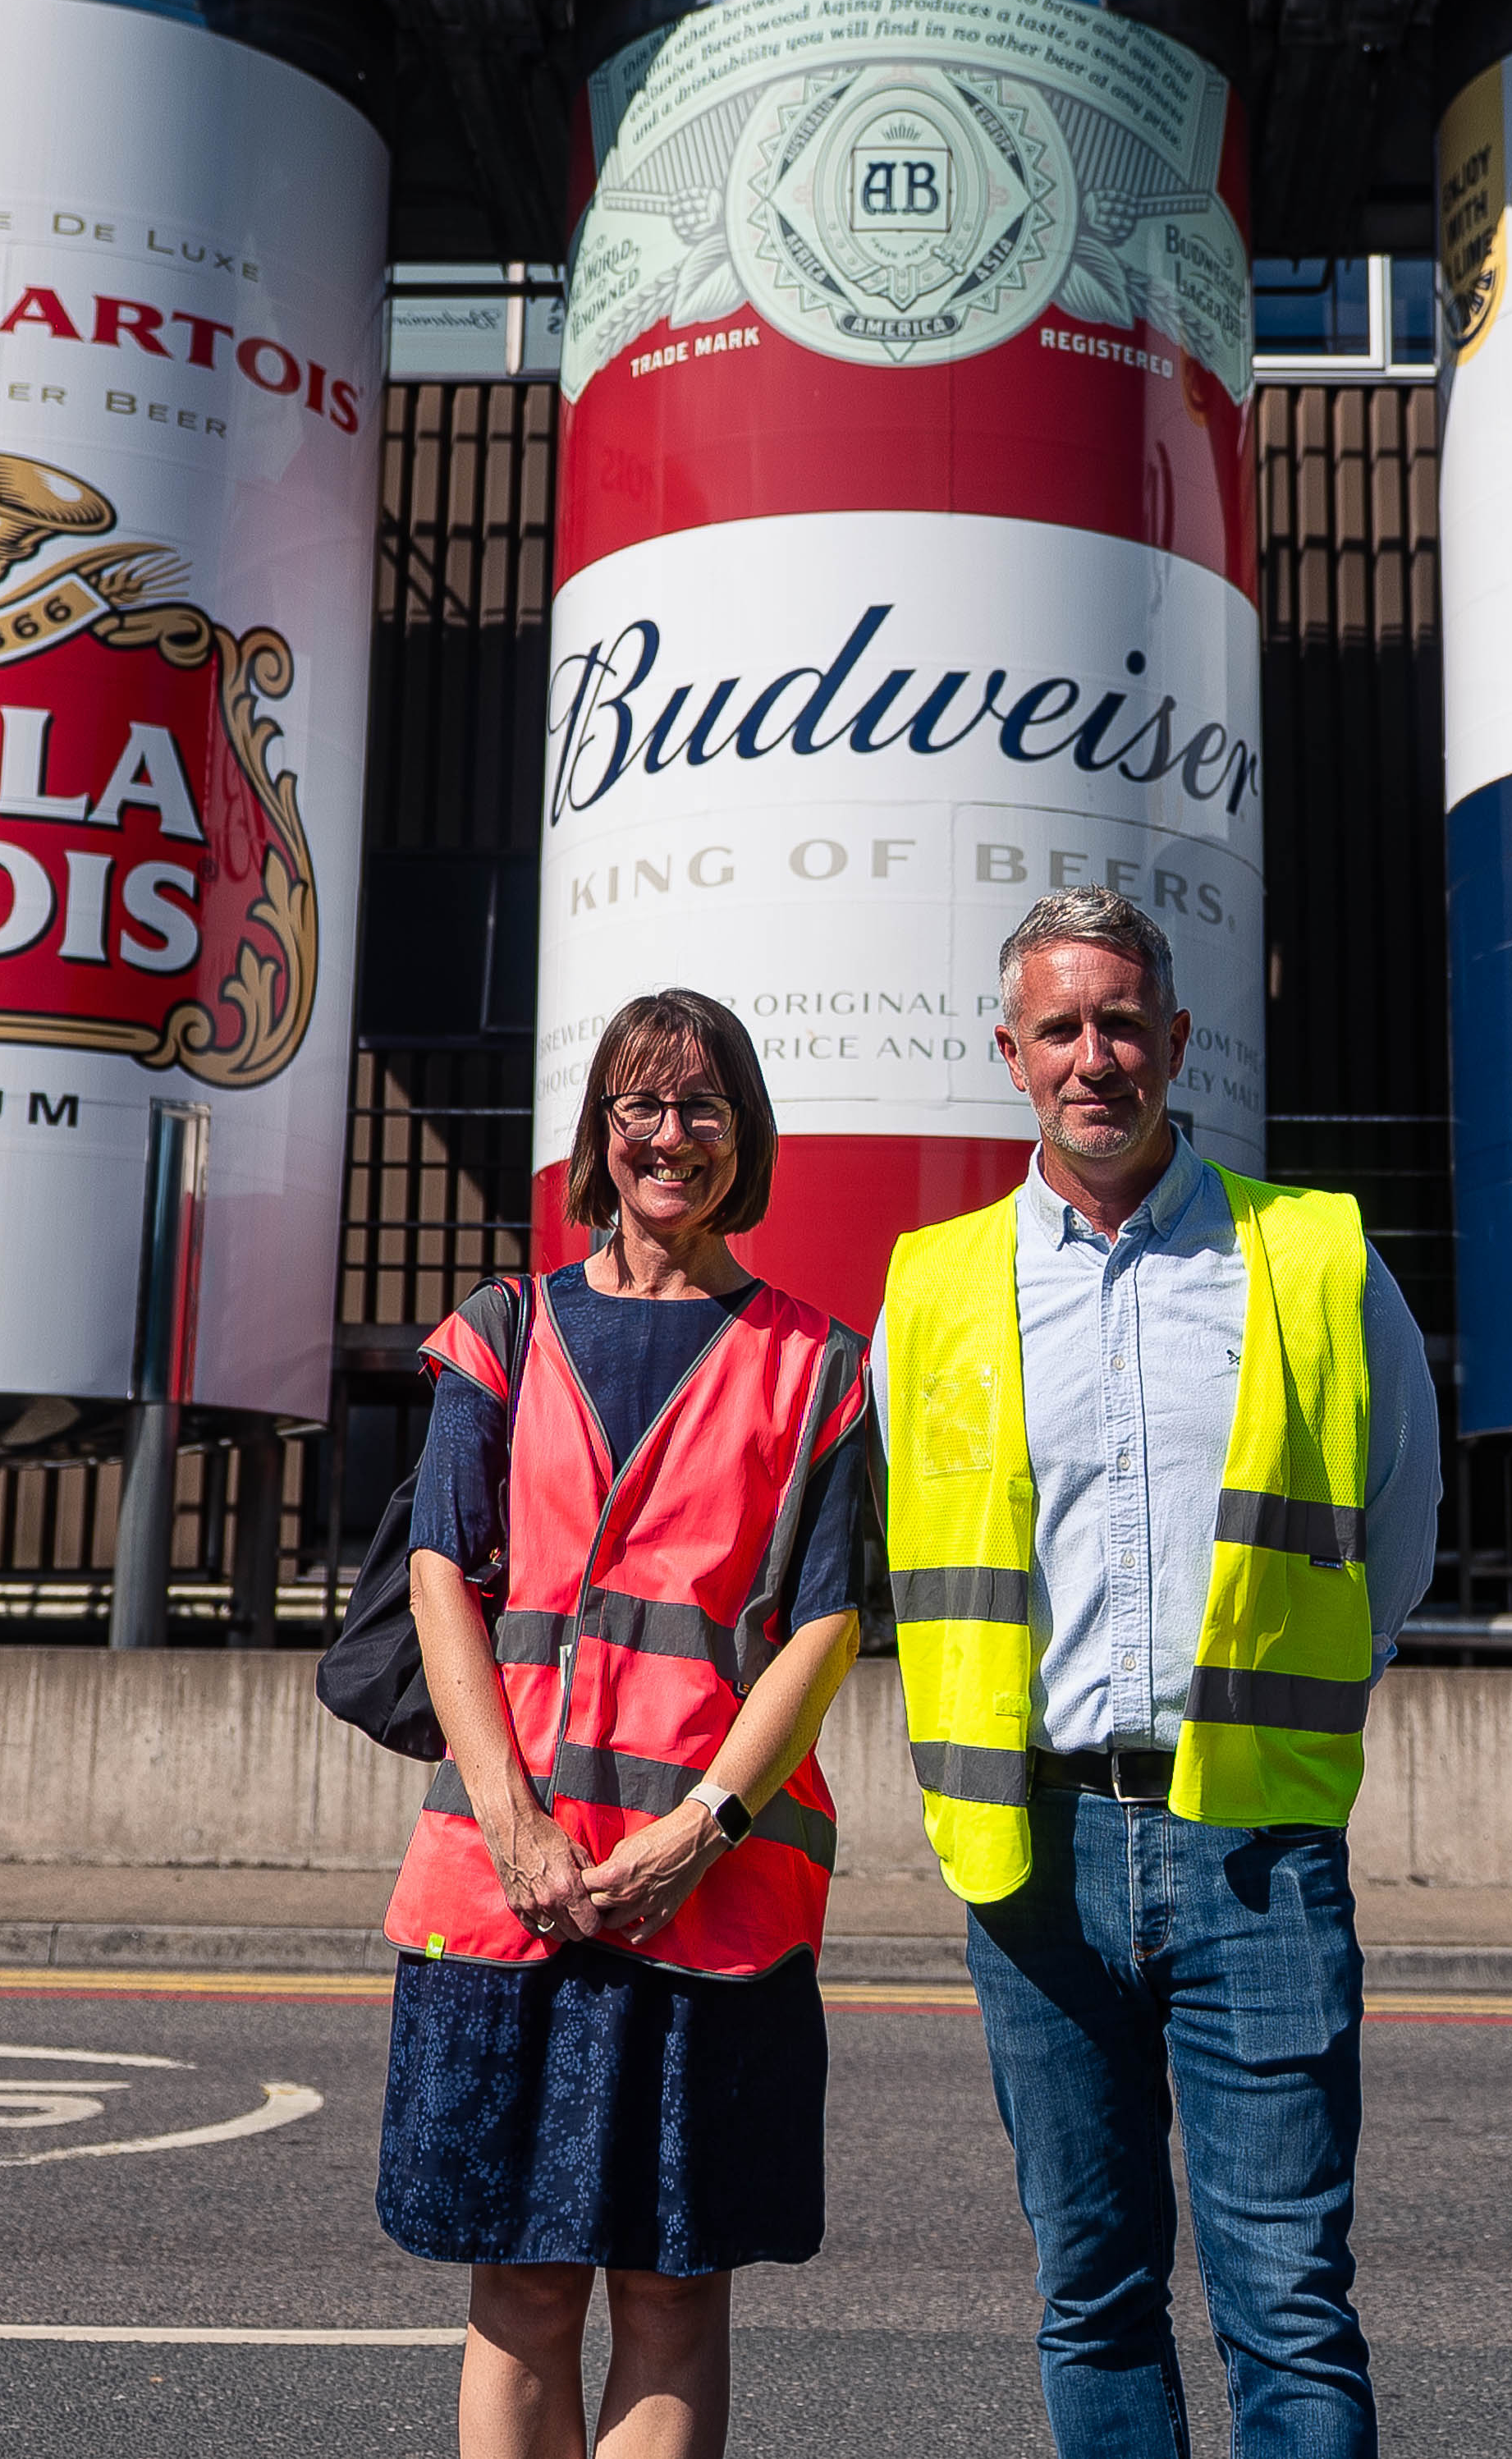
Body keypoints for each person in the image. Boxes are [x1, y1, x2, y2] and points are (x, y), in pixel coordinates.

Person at [873, 888, 1441, 2459]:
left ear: (1179, 1040)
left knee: (1290, 2310)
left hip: (1251, 1844)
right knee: (1094, 2296)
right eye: (1060, 1026)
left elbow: (1397, 1532)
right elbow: (898, 1550)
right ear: (1011, 1052)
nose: (1095, 1056)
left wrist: (1285, 1698)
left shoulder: (1314, 1258)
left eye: (1123, 1020)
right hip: (1031, 1849)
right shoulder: (930, 1290)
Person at [378, 986, 877, 2459]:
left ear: (746, 1134)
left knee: (673, 2293)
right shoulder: (500, 1332)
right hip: (503, 1885)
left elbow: (828, 1622)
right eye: (642, 1107)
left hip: (712, 1900)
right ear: (601, 1133)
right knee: (521, 2283)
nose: (673, 1136)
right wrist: (519, 1821)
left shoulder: (819, 1363)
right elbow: (441, 1576)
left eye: (704, 1106)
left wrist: (696, 1830)